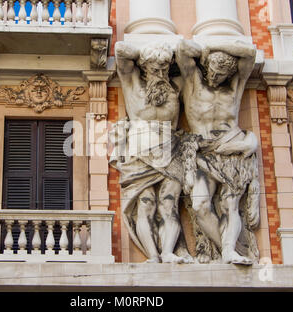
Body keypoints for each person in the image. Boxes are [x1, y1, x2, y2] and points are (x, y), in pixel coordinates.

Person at [175, 38, 260, 265]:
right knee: (200, 204)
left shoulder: (235, 87)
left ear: (229, 73)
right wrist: (209, 50)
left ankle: (229, 251)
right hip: (204, 154)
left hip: (232, 152)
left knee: (231, 205)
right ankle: (229, 247)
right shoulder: (193, 82)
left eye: (220, 74)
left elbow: (249, 53)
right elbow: (183, 48)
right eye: (212, 71)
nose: (214, 77)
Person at [110, 41, 195, 263]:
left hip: (171, 150)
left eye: (164, 68)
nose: (160, 73)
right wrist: (147, 50)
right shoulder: (132, 83)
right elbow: (120, 50)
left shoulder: (176, 86)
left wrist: (168, 53)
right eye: (154, 68)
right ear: (144, 67)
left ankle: (168, 251)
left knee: (169, 204)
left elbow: (190, 59)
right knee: (145, 205)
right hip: (139, 153)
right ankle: (153, 255)